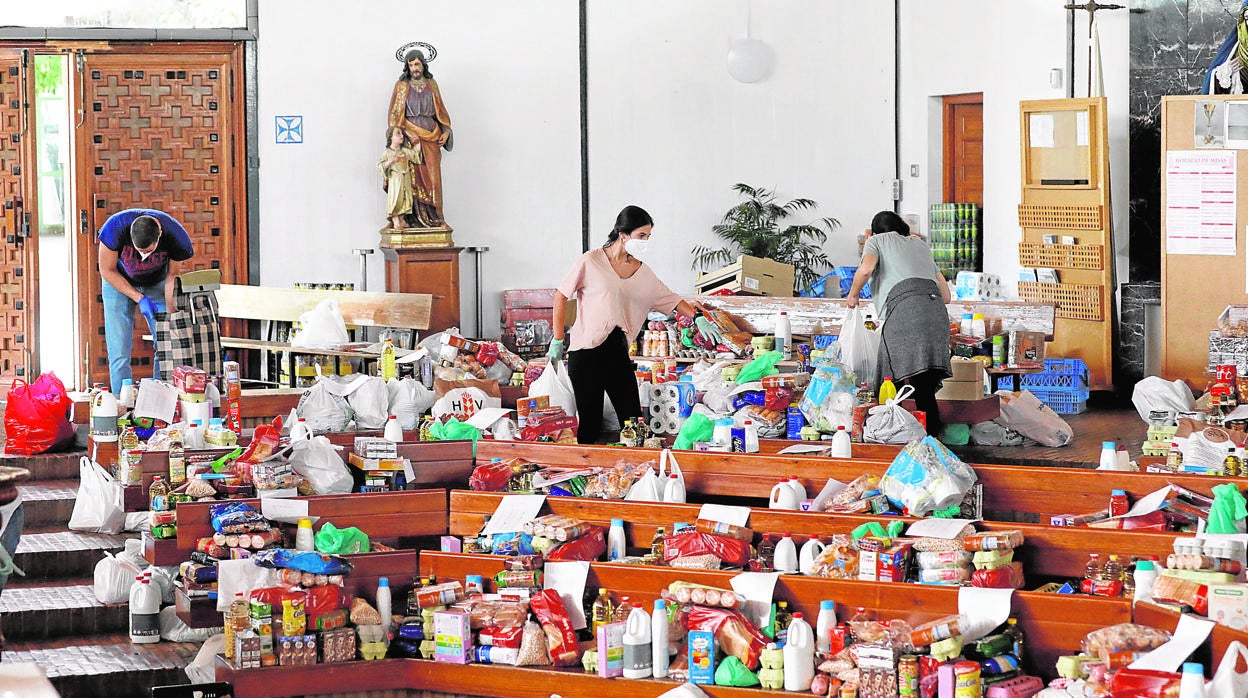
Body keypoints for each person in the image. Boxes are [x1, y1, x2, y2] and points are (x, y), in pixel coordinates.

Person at [550, 205, 723, 443]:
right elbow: (561, 295)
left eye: (648, 237)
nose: (645, 242)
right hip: (585, 353)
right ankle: (592, 475)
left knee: (633, 419)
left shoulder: (643, 273)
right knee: (590, 422)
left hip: (616, 351)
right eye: (641, 236)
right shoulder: (591, 261)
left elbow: (672, 299)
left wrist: (698, 317)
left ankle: (635, 472)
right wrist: (558, 337)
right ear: (623, 234)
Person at [846, 210, 952, 437]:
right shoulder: (920, 244)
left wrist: (853, 295)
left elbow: (866, 269)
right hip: (936, 314)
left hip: (906, 312)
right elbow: (946, 295)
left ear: (875, 231)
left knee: (890, 378)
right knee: (924, 386)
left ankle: (892, 434)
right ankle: (931, 439)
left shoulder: (875, 241)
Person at [97, 208, 195, 393]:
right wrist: (139, 298)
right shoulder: (114, 228)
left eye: (148, 251)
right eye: (139, 251)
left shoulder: (176, 236)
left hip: (157, 283)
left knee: (165, 343)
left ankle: (160, 398)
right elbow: (106, 270)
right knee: (118, 348)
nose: (142, 257)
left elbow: (172, 275)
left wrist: (171, 312)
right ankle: (121, 402)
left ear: (159, 235)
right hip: (118, 282)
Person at [386, 48, 452, 228]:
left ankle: (435, 217)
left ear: (423, 64)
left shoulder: (432, 84)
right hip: (410, 138)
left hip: (432, 137)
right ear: (407, 67)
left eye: (417, 64)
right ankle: (411, 218)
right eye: (411, 65)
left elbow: (441, 111)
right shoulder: (401, 86)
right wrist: (406, 133)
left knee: (433, 178)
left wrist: (446, 130)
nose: (415, 68)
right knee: (410, 179)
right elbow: (395, 116)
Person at [378, 126, 422, 229]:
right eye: (398, 133)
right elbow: (380, 166)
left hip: (406, 178)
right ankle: (395, 219)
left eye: (402, 133)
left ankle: (402, 219)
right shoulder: (387, 153)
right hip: (395, 179)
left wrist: (418, 143)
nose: (402, 136)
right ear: (391, 137)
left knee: (405, 198)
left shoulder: (405, 151)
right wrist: (391, 161)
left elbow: (415, 156)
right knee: (396, 198)